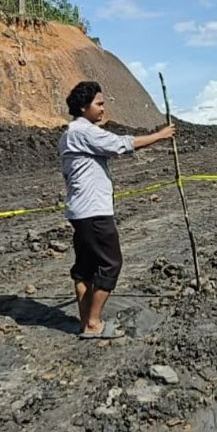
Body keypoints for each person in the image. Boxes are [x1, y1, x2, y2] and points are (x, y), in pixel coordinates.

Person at [59, 81, 175, 339]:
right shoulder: (84, 132)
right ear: (83, 106)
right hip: (93, 212)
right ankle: (93, 324)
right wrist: (160, 135)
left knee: (85, 269)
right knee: (111, 264)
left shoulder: (69, 134)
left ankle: (85, 321)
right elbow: (120, 144)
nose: (103, 109)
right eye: (98, 104)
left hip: (80, 211)